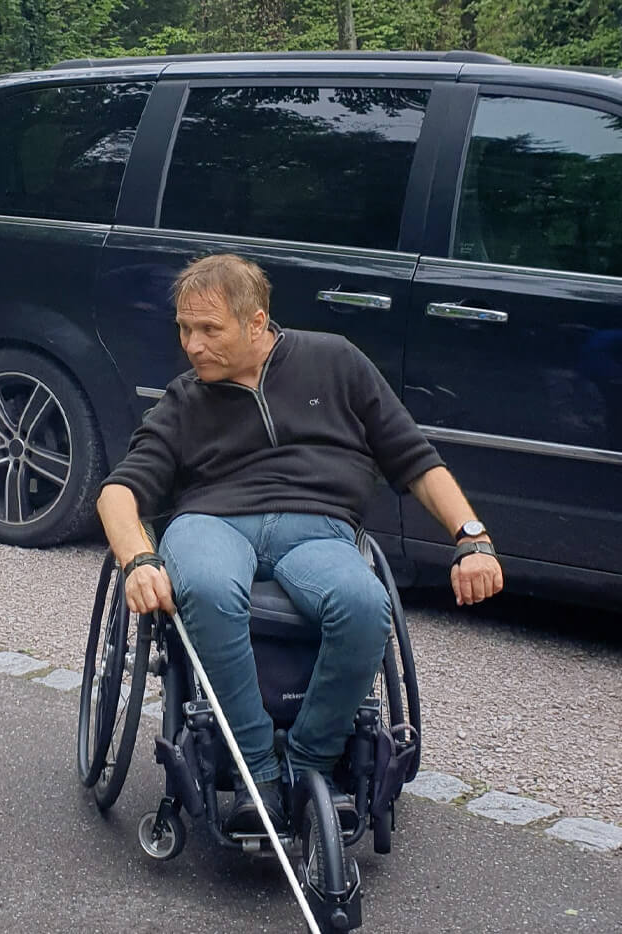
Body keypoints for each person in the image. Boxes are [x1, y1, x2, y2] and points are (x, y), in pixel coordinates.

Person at [97, 253, 503, 833]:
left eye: (210, 329)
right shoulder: (184, 400)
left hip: (319, 525)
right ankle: (254, 770)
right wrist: (138, 560)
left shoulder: (335, 361)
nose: (192, 345)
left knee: (364, 606)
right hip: (213, 522)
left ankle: (311, 762)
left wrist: (472, 538)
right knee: (208, 589)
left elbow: (413, 458)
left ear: (257, 323)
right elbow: (118, 493)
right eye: (184, 329)